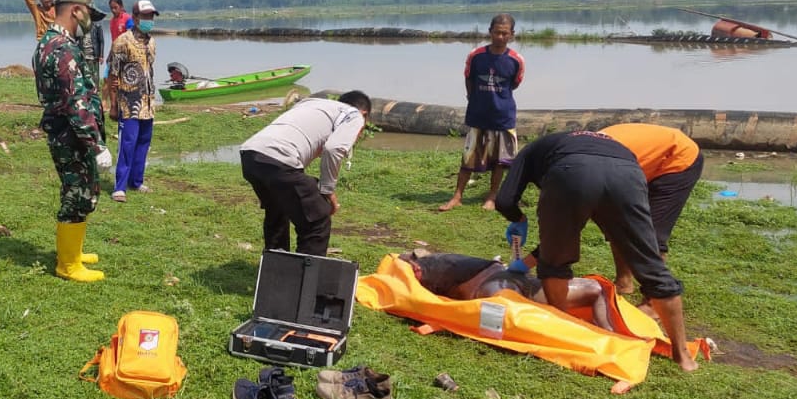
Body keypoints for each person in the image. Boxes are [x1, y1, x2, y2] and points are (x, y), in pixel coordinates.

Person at [492, 130, 698, 372]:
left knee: (555, 264)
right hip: (629, 173)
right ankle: (683, 356)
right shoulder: (598, 142)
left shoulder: (529, 151)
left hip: (571, 170)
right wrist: (528, 261)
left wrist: (518, 219)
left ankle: (563, 329)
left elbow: (505, 200)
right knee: (651, 265)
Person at [33, 0, 112, 282]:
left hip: (66, 132)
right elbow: (75, 103)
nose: (89, 22)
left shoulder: (50, 42)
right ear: (76, 10)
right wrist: (96, 144)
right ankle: (67, 265)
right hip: (72, 135)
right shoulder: (62, 48)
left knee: (82, 191)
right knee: (76, 194)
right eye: (88, 15)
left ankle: (74, 252)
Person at [239, 92, 371, 255]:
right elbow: (334, 149)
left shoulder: (311, 103)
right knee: (318, 219)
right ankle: (305, 277)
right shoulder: (354, 115)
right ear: (364, 115)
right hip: (279, 157)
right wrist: (327, 190)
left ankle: (275, 270)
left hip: (250, 155)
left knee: (278, 210)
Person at [598, 123, 703, 294]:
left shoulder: (592, 161)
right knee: (616, 223)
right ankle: (623, 282)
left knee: (652, 234)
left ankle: (654, 300)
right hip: (638, 163)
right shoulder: (582, 158)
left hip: (677, 157)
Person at [398, 248, 611, 330]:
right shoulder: (431, 263)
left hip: (488, 296)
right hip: (500, 284)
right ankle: (608, 333)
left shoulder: (422, 269)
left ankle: (596, 331)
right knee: (595, 288)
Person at [440, 13, 524, 211]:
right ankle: (457, 196)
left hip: (503, 117)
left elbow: (515, 83)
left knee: (500, 161)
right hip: (478, 115)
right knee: (469, 158)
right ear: (490, 32)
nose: (500, 37)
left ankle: (492, 197)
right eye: (497, 33)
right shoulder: (476, 56)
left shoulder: (516, 60)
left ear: (512, 34)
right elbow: (469, 78)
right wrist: (474, 99)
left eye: (505, 34)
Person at [106, 0, 158, 202]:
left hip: (148, 102)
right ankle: (119, 187)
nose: (148, 20)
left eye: (151, 17)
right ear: (135, 17)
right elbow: (113, 75)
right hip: (128, 104)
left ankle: (136, 181)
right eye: (145, 16)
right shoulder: (122, 42)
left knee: (144, 143)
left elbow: (149, 71)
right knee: (127, 144)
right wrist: (113, 105)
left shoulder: (152, 42)